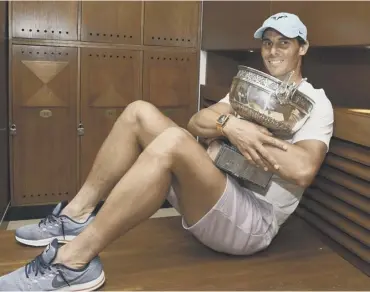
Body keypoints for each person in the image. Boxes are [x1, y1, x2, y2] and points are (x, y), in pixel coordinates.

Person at [0, 12, 334, 291]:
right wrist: (229, 126)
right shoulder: (252, 89)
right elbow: (197, 122)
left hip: (251, 223)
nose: (273, 51)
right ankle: (75, 216)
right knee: (138, 111)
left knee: (172, 143)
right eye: (267, 42)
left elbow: (304, 170)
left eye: (284, 43)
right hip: (217, 193)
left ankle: (73, 262)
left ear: (302, 48)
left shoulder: (316, 103)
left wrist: (249, 142)